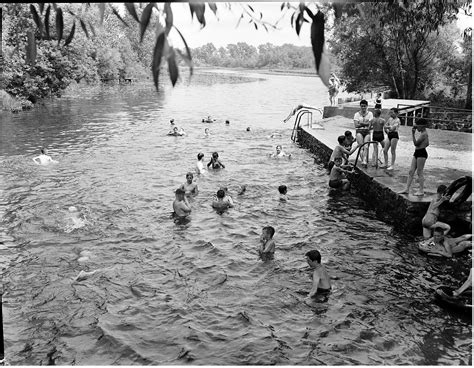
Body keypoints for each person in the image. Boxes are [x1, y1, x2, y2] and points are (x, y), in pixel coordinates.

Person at [398, 119, 429, 196]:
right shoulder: (423, 133)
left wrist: (413, 134)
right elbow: (428, 143)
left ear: (422, 126)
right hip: (417, 152)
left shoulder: (424, 134)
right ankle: (407, 189)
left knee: (419, 172)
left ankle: (421, 190)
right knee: (411, 171)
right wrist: (423, 144)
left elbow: (416, 143)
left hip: (422, 153)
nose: (416, 128)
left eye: (417, 126)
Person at [353, 100, 373, 167]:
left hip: (367, 132)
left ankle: (364, 160)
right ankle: (363, 160)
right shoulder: (357, 114)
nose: (363, 108)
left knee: (366, 146)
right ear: (360, 106)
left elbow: (370, 124)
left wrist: (361, 123)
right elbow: (356, 125)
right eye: (362, 106)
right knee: (361, 146)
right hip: (359, 131)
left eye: (364, 106)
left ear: (367, 106)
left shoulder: (370, 114)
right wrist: (365, 124)